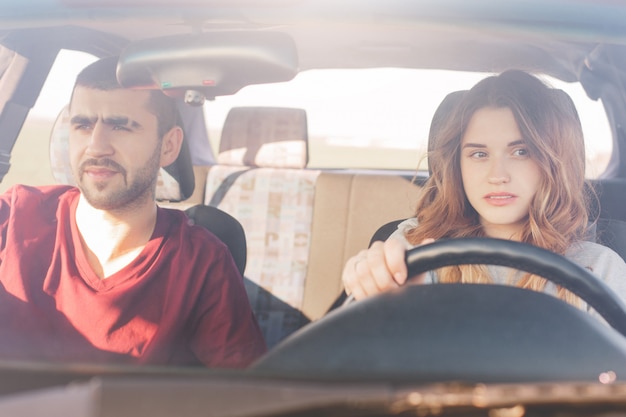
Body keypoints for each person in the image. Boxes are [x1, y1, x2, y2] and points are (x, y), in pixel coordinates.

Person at [0, 56, 267, 367]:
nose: (96, 146)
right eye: (83, 125)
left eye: (120, 126)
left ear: (169, 146)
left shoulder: (202, 263)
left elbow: (243, 395)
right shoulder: (14, 217)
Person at [342, 69, 626, 315]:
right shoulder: (414, 247)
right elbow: (351, 359)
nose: (497, 175)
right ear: (458, 165)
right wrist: (378, 291)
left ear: (554, 161)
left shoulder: (598, 268)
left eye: (521, 151)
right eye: (479, 154)